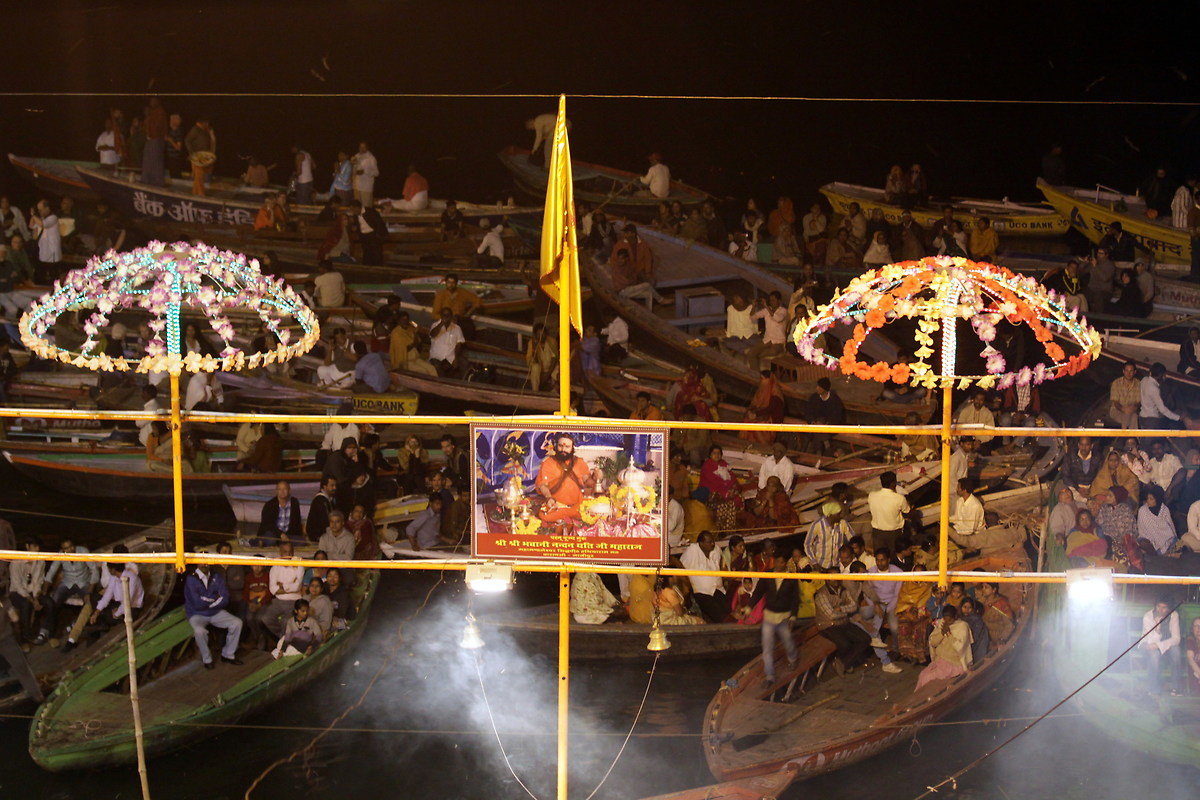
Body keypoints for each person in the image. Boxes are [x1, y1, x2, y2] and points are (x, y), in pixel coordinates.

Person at [34, 538, 99, 646]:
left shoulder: (83, 551)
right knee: (53, 602)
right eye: (66, 548)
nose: (70, 550)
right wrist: (44, 591)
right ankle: (44, 631)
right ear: (62, 550)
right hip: (67, 583)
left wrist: (89, 591)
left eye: (71, 547)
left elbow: (94, 571)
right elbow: (51, 573)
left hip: (83, 582)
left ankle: (82, 627)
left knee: (89, 603)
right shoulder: (60, 555)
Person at [748, 559, 801, 684]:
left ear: (785, 563)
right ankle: (770, 675)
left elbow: (795, 598)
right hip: (769, 617)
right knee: (767, 648)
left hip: (784, 617)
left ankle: (793, 659)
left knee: (788, 642)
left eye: (782, 562)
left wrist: (793, 616)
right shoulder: (768, 575)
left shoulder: (791, 578)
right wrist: (749, 606)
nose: (779, 564)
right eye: (777, 562)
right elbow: (758, 592)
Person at [184, 562, 243, 669]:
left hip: (215, 612)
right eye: (201, 563)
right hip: (197, 614)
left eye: (206, 563)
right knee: (199, 631)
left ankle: (228, 654)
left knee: (237, 623)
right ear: (197, 564)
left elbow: (225, 597)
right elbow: (196, 603)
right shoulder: (191, 579)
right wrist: (214, 599)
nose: (204, 565)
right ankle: (207, 659)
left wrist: (209, 603)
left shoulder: (216, 576)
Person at [813, 570, 872, 674]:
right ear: (827, 579)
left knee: (865, 639)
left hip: (843, 623)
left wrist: (841, 609)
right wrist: (846, 612)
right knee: (845, 644)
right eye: (833, 576)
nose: (836, 579)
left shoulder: (843, 590)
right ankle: (846, 663)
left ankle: (843, 663)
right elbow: (831, 615)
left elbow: (854, 606)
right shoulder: (821, 594)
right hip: (827, 625)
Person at [535, 432, 594, 524]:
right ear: (556, 446)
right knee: (545, 516)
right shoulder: (548, 463)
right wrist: (549, 498)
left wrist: (596, 477)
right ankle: (568, 515)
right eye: (560, 446)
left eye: (567, 447)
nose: (563, 449)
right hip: (557, 506)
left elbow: (588, 482)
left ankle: (568, 515)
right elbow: (543, 485)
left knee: (597, 510)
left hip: (577, 505)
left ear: (572, 448)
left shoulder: (579, 462)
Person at [255, 542, 305, 646]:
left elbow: (297, 587)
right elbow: (273, 589)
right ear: (280, 552)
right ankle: (282, 638)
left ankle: (282, 645)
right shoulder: (275, 566)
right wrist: (290, 585)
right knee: (265, 618)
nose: (289, 554)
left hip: (294, 600)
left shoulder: (299, 564)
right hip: (277, 601)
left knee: (286, 621)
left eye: (291, 552)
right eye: (286, 552)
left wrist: (282, 586)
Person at [915, 605, 973, 691]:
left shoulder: (962, 626)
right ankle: (919, 699)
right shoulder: (942, 623)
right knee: (923, 675)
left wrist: (948, 634)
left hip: (954, 662)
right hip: (940, 660)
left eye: (950, 620)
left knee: (928, 677)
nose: (947, 622)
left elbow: (960, 648)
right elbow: (933, 642)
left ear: (955, 617)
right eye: (945, 619)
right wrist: (942, 633)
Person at [0, 593, 43, 702]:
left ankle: (37, 696)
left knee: (21, 667)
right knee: (21, 668)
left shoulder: (4, 602)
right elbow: (14, 618)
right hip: (6, 639)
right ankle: (37, 696)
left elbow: (15, 618)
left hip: (6, 640)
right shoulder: (5, 602)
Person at [609, 225, 666, 305]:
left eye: (627, 233)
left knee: (652, 282)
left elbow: (648, 258)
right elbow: (614, 260)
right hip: (628, 275)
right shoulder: (619, 245)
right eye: (625, 233)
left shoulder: (644, 244)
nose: (625, 235)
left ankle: (649, 305)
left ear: (634, 234)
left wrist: (648, 272)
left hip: (639, 271)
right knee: (646, 285)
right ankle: (659, 300)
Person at [679, 531, 728, 622]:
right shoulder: (692, 551)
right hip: (701, 591)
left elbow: (721, 565)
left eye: (713, 541)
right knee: (718, 614)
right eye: (709, 542)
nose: (712, 544)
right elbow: (681, 568)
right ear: (701, 543)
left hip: (717, 589)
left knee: (728, 609)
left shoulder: (716, 550)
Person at [1142, 598, 1182, 696]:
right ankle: (1153, 689)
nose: (1160, 610)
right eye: (1158, 606)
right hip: (1147, 644)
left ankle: (1175, 688)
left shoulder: (1173, 615)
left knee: (1176, 651)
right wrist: (1157, 626)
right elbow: (1150, 642)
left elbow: (1176, 639)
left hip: (1165, 644)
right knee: (1154, 655)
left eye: (1164, 607)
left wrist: (1159, 645)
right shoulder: (1148, 616)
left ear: (1169, 608)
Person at [868, 471, 910, 555]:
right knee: (894, 557)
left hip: (877, 533)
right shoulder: (899, 498)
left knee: (880, 557)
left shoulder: (872, 495)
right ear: (893, 483)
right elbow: (907, 511)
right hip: (894, 533)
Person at [745, 292, 788, 373]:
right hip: (767, 340)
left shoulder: (783, 311)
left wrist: (766, 306)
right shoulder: (766, 310)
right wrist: (754, 306)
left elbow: (777, 318)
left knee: (767, 353)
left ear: (779, 301)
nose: (771, 302)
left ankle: (761, 375)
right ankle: (756, 375)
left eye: (773, 300)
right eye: (770, 300)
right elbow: (752, 317)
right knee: (751, 353)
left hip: (778, 342)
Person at [804, 501, 852, 570]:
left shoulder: (843, 523)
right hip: (821, 565)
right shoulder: (817, 525)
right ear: (830, 515)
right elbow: (807, 545)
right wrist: (814, 562)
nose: (840, 516)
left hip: (837, 565)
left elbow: (852, 539)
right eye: (838, 514)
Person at [257, 481, 303, 545]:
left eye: (285, 489)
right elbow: (267, 524)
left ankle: (281, 543)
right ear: (276, 491)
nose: (282, 492)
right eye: (279, 489)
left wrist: (299, 536)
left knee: (301, 542)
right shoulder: (270, 504)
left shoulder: (294, 502)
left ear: (289, 490)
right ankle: (257, 541)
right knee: (270, 541)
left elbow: (297, 521)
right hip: (273, 533)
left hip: (288, 534)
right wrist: (280, 534)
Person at [1140, 362, 1183, 429]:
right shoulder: (1154, 389)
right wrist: (1178, 417)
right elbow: (1162, 409)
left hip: (1142, 417)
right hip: (1152, 420)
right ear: (1161, 375)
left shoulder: (1144, 380)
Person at [1138, 485, 1178, 555]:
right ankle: (1161, 554)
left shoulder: (1165, 510)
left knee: (1178, 544)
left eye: (1151, 499)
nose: (1148, 501)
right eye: (1147, 498)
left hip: (1166, 539)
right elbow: (1143, 531)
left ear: (1158, 499)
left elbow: (1170, 527)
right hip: (1149, 540)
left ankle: (1167, 553)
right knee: (1144, 544)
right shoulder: (1142, 511)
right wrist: (1154, 539)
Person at [428, 307, 466, 377]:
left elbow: (458, 345)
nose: (446, 317)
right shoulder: (435, 325)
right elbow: (432, 334)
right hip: (437, 356)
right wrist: (442, 323)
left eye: (448, 315)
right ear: (441, 315)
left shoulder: (457, 328)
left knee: (464, 364)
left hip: (450, 357)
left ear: (451, 316)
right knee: (438, 367)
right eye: (444, 315)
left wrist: (456, 359)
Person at [184, 116, 215, 196]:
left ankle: (195, 192)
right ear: (202, 122)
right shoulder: (195, 130)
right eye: (206, 123)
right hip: (197, 157)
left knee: (199, 177)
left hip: (205, 156)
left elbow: (212, 141)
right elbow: (187, 140)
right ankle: (201, 194)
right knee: (199, 176)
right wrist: (191, 152)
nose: (207, 124)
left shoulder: (205, 130)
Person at [1108, 361, 1142, 428]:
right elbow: (1115, 402)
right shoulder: (1116, 383)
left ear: (1134, 372)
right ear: (1123, 371)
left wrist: (1133, 408)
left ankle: (1127, 437)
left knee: (1133, 416)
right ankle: (1131, 437)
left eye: (1131, 371)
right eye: (1126, 371)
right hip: (1116, 410)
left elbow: (1139, 401)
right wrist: (1123, 409)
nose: (1128, 373)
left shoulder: (1139, 384)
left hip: (1132, 410)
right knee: (1129, 415)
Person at [352, 141, 379, 208]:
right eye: (360, 147)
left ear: (367, 148)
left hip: (366, 187)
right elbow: (353, 170)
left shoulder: (371, 158)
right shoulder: (356, 156)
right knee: (357, 206)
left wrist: (365, 172)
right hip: (357, 185)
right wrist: (354, 167)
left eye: (364, 147)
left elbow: (376, 172)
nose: (362, 149)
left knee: (366, 207)